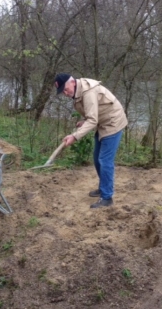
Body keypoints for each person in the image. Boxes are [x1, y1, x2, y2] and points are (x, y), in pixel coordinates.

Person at [54, 73, 128, 208]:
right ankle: (103, 187)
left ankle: (107, 198)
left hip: (113, 123)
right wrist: (84, 121)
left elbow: (93, 120)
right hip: (102, 122)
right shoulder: (77, 92)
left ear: (72, 82)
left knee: (105, 161)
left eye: (65, 89)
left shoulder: (88, 92)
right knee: (97, 158)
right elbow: (93, 112)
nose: (65, 93)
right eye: (62, 92)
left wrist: (74, 136)